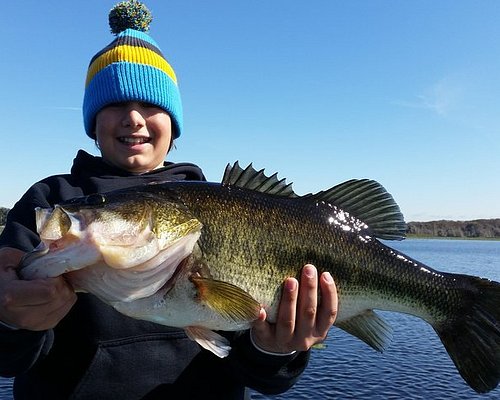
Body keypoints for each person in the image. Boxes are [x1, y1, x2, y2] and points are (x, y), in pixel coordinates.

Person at [0, 1, 338, 399]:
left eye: (151, 105)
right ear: (92, 122)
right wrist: (11, 321)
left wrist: (274, 349)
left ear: (173, 124)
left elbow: (264, 377)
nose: (134, 118)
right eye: (114, 105)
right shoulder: (52, 199)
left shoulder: (222, 205)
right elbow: (8, 360)